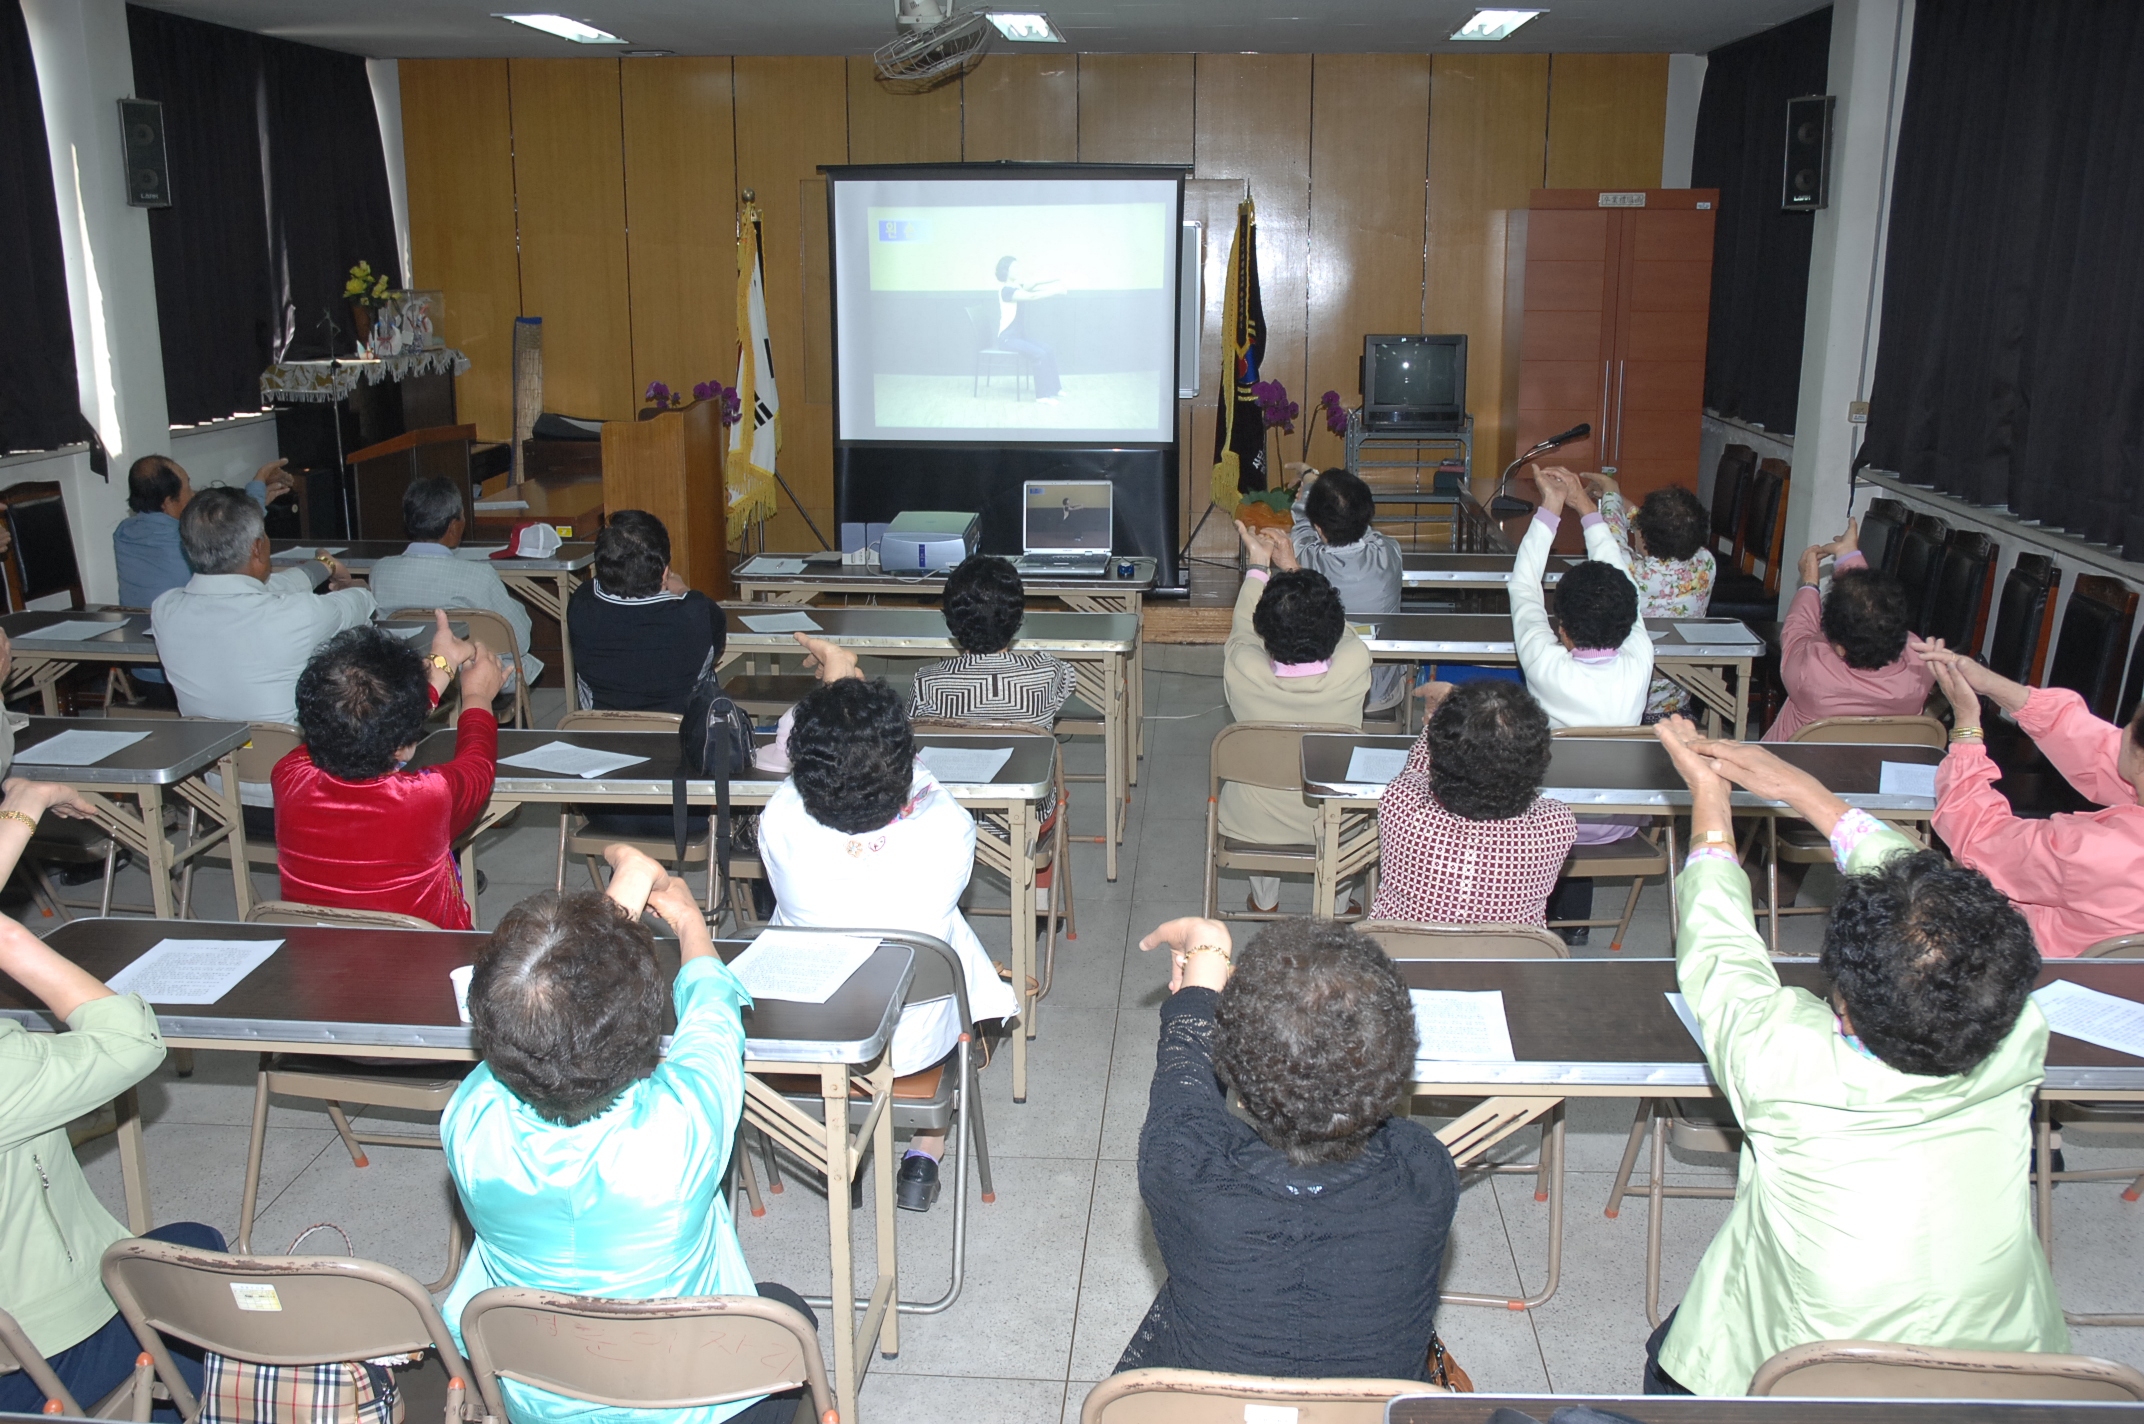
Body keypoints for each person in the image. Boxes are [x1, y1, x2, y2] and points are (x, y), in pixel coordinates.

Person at [1640, 720, 2064, 1397]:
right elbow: (1927, 904)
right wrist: (1804, 792)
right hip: (2005, 1373)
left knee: (1675, 1355)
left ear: (1841, 992)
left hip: (1808, 1372)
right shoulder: (2018, 1032)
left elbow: (1718, 948)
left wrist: (1712, 798)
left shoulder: (1784, 1057)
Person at [440, 846, 814, 1424]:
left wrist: (631, 884)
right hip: (688, 1403)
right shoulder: (683, 1121)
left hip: (536, 1395)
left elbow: (547, 1015)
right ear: (644, 1028)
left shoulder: (470, 1120)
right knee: (789, 1313)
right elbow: (714, 1011)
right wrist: (688, 919)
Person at [1116, 914, 1457, 1379]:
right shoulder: (1425, 1173)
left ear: (1235, 1084)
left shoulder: (1182, 1169)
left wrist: (1208, 949)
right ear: (1395, 1074)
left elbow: (1184, 1066)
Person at [757, 642, 1019, 1212]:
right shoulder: (947, 828)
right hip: (911, 1040)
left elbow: (793, 760)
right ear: (902, 758)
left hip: (807, 1025)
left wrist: (832, 687)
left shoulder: (780, 820)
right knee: (960, 965)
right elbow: (909, 777)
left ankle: (837, 1146)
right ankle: (925, 1151)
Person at [0, 776, 226, 1419]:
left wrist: (27, 800)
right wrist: (13, 941)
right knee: (194, 1262)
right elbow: (130, 1042)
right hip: (34, 1365)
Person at [273, 616, 503, 930]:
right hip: (427, 967)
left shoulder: (287, 776)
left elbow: (354, 729)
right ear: (400, 747)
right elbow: (478, 766)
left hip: (315, 967)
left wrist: (441, 667)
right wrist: (478, 696)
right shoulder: (427, 798)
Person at [1919, 638, 2144, 957]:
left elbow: (1979, 837)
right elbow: (2095, 747)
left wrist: (1967, 725)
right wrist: (1993, 685)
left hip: (2050, 978)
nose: (2116, 736)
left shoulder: (2086, 852)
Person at [1513, 467, 1654, 940]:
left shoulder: (1547, 668)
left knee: (1548, 791)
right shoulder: (1640, 659)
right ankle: (1576, 927)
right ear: (1628, 619)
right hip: (1618, 820)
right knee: (1589, 783)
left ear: (1562, 630)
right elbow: (1621, 579)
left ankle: (1541, 913)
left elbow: (1523, 587)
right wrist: (1585, 506)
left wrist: (1552, 506)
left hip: (1547, 822)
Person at [1223, 519, 1373, 914]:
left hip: (1252, 822)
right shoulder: (1356, 662)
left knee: (1257, 778)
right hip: (1335, 823)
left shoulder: (1244, 668)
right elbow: (1335, 626)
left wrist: (1259, 564)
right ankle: (1338, 905)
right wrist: (1292, 566)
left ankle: (1264, 899)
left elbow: (1241, 628)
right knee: (1348, 824)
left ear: (1264, 633)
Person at [150, 486, 373, 727]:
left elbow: (274, 586)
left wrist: (324, 564)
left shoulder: (165, 609)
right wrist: (360, 588)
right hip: (288, 759)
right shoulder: (299, 615)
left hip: (209, 758)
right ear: (257, 547)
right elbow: (357, 603)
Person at [1368, 679, 1577, 927]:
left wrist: (1437, 722)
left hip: (1400, 960)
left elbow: (1418, 770)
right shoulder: (1557, 825)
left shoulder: (1401, 804)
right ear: (1539, 757)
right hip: (1508, 963)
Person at [1762, 518, 1933, 742]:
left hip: (1798, 770)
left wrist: (1809, 582)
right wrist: (1848, 554)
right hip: (1879, 773)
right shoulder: (1921, 665)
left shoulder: (1809, 673)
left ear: (1841, 649)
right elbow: (1875, 611)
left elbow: (1798, 628)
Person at [365, 476, 545, 688]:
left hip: (405, 675)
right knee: (523, 662)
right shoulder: (479, 575)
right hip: (465, 676)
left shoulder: (381, 571)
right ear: (453, 527)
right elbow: (518, 640)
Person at [566, 510, 722, 714]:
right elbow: (715, 651)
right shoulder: (697, 611)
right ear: (665, 572)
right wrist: (682, 590)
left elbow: (595, 587)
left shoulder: (580, 603)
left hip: (601, 735)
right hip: (678, 737)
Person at [1590, 474, 1715, 720]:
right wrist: (1614, 496)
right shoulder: (1705, 564)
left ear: (1644, 539)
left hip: (1624, 710)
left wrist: (1611, 492)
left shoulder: (1628, 572)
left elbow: (1609, 535)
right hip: (1676, 709)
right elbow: (1651, 527)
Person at [1289, 468, 1408, 711]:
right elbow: (1362, 529)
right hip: (1381, 692)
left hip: (1326, 692)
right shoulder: (1389, 551)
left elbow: (1302, 529)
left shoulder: (1307, 559)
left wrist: (1308, 484)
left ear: (1319, 528)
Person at [909, 554, 1076, 726]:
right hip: (1026, 754)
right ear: (1017, 615)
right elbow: (1068, 679)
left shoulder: (926, 681)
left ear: (952, 620)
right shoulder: (1047, 671)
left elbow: (912, 732)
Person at [112, 454, 291, 610]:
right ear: (167, 503)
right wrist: (259, 482)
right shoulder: (184, 536)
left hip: (134, 624)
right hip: (183, 628)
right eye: (188, 488)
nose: (193, 494)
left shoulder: (123, 533)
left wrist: (256, 502)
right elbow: (231, 527)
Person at [994, 255, 1064, 404]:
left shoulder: (1016, 286)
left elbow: (1035, 283)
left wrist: (1057, 279)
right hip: (1007, 339)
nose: (1018, 270)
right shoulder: (1006, 291)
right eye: (1014, 267)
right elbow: (1032, 297)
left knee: (1048, 350)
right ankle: (1042, 396)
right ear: (1005, 270)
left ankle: (1055, 389)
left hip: (1019, 337)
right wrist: (1056, 291)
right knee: (1039, 354)